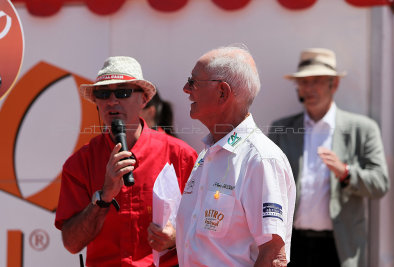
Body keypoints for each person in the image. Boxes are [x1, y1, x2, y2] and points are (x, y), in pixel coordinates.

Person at [54, 56, 198, 266]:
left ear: (144, 99)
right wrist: (103, 197)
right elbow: (71, 243)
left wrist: (175, 238)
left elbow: (209, 226)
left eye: (123, 92)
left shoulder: (181, 155)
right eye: (103, 93)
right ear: (96, 103)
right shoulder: (79, 163)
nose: (112, 101)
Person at [171, 45, 296, 266]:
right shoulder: (208, 153)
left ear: (222, 92)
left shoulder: (260, 160)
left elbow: (274, 256)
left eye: (193, 82)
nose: (185, 89)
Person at [268, 48, 389, 267]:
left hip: (339, 248)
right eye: (304, 82)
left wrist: (346, 172)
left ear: (335, 84)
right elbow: (265, 186)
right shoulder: (281, 129)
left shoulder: (362, 129)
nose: (309, 88)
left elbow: (380, 184)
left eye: (317, 81)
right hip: (292, 245)